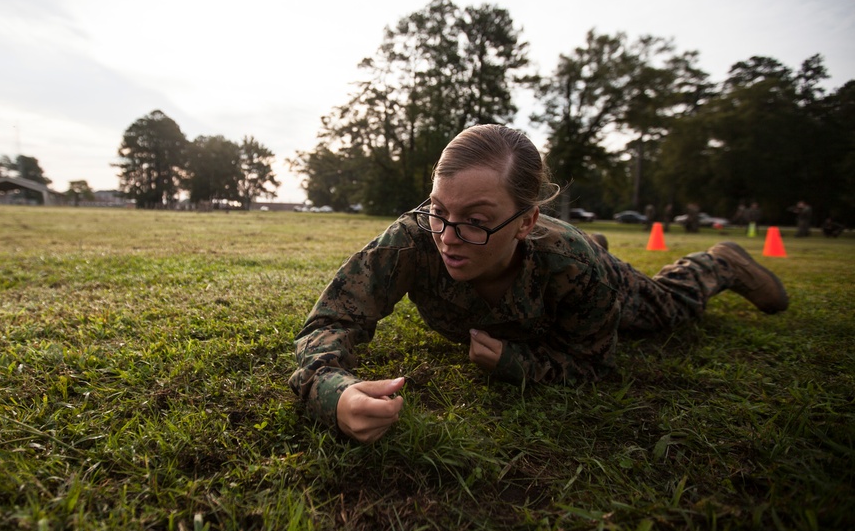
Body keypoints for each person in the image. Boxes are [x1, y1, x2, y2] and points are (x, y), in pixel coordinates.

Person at [288, 125, 789, 443]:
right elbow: (331, 321)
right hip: (554, 263)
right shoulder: (413, 239)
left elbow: (594, 363)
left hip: (591, 272)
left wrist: (514, 362)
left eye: (476, 220)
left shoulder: (573, 264)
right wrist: (335, 394)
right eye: (440, 211)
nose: (448, 237)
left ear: (525, 222)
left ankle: (720, 263)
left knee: (669, 309)